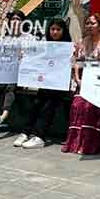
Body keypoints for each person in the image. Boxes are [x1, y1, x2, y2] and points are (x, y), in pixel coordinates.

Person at [63, 13, 100, 155]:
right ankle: (75, 143)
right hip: (84, 81)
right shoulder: (83, 41)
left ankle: (88, 144)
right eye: (87, 23)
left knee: (89, 107)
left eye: (93, 23)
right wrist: (77, 79)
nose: (89, 26)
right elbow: (78, 62)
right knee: (77, 105)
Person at [14, 19, 73, 149]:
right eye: (52, 29)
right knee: (36, 104)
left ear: (63, 31)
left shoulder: (68, 46)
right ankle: (25, 132)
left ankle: (39, 136)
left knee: (49, 107)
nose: (55, 32)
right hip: (46, 82)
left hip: (59, 84)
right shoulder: (44, 44)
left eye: (58, 29)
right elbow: (35, 58)